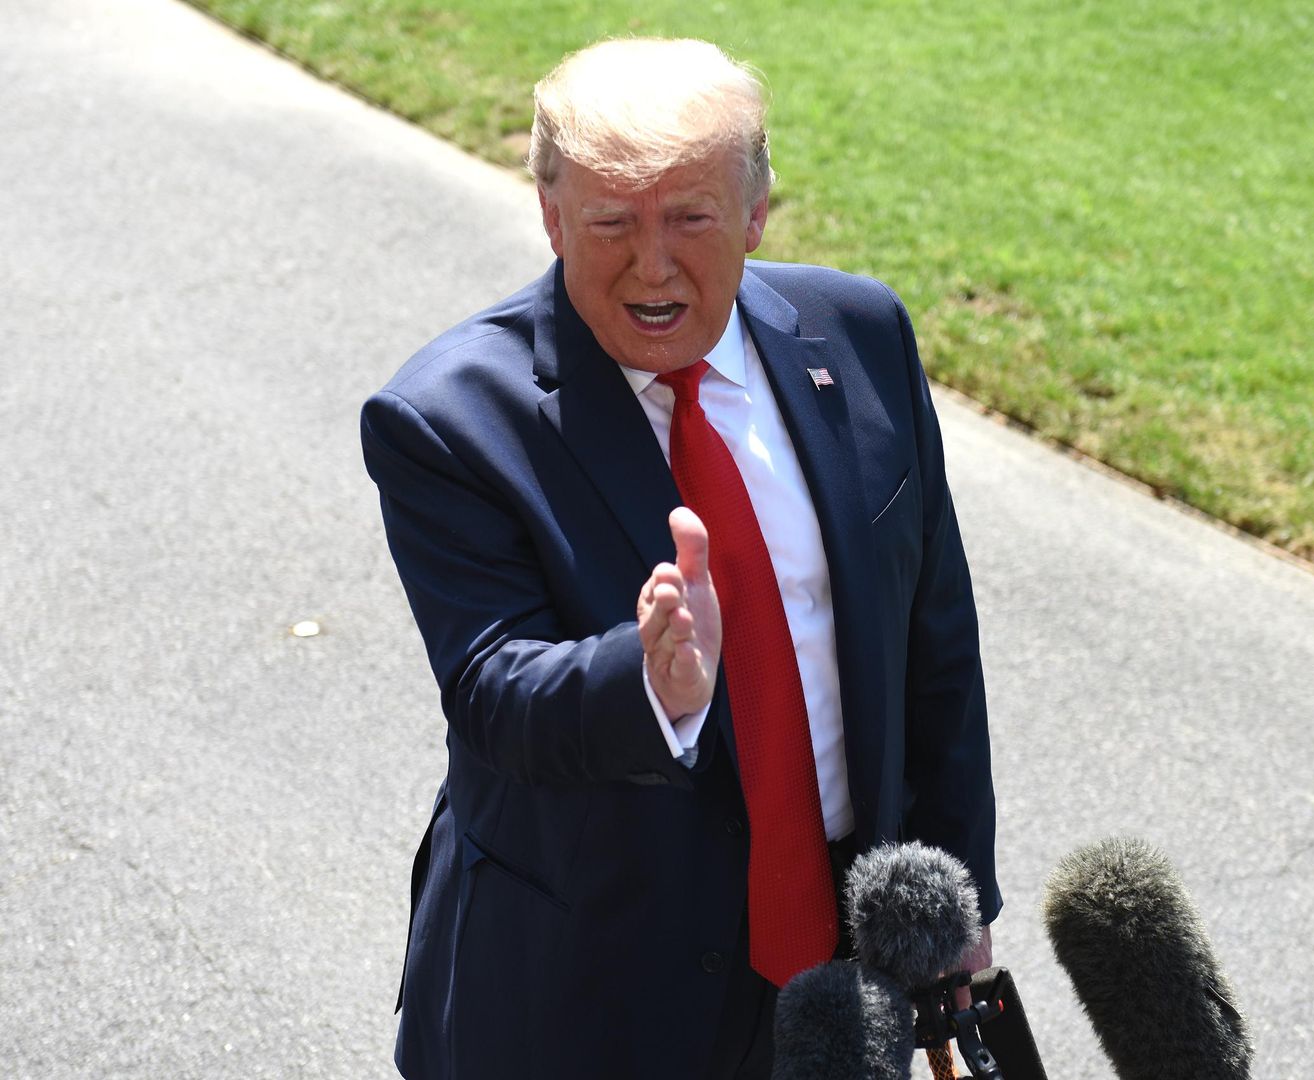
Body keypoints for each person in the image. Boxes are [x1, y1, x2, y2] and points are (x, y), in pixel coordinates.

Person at [360, 37, 997, 1079]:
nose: (651, 264)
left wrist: (956, 900)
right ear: (551, 212)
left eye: (691, 219)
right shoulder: (446, 418)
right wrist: (647, 681)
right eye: (611, 222)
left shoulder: (863, 334)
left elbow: (936, 636)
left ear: (755, 212)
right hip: (586, 992)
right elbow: (491, 690)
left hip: (840, 985)